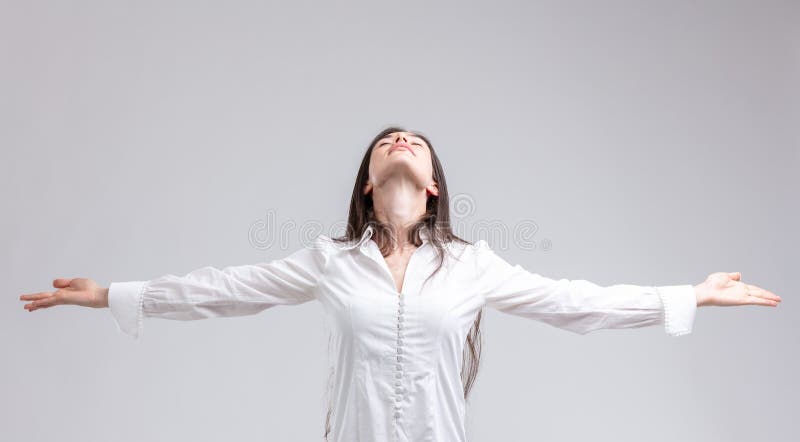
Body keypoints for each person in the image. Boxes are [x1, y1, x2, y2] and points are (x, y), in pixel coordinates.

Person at [19, 127, 781, 442]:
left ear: (434, 189)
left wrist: (693, 294)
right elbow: (224, 289)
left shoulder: (474, 266)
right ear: (368, 186)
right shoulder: (328, 260)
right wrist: (112, 293)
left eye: (414, 143)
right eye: (388, 143)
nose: (402, 143)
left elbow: (575, 302)